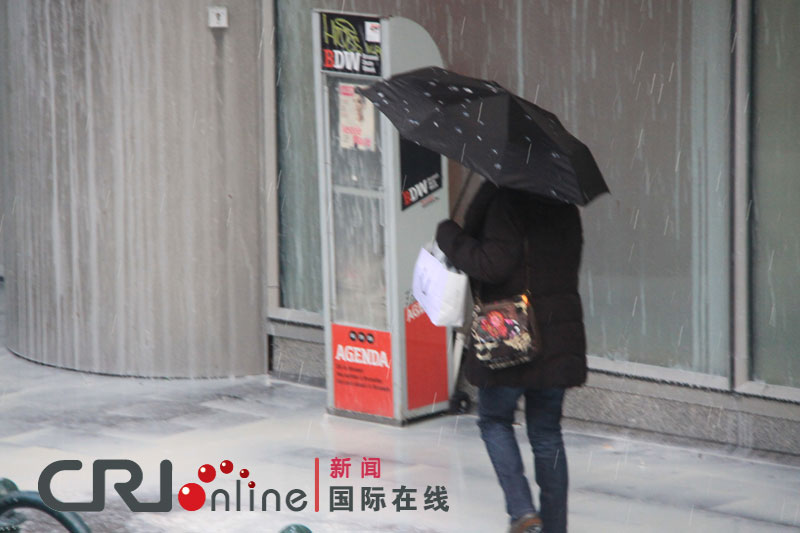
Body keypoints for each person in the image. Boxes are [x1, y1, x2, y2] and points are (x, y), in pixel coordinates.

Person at [436, 183, 587, 533]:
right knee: (547, 433)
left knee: (494, 421)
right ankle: (553, 528)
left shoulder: (506, 199)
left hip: (511, 335)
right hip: (559, 336)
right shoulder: (564, 200)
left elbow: (492, 266)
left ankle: (523, 513)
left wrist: (450, 236)